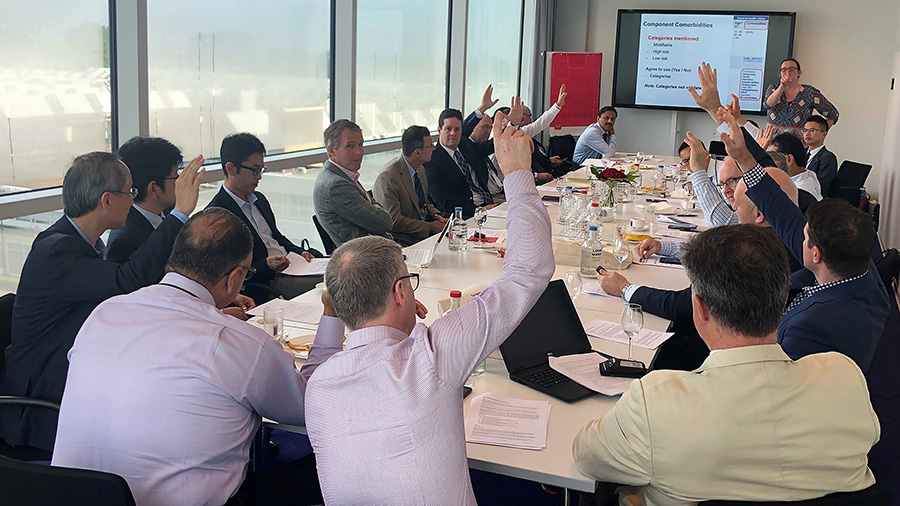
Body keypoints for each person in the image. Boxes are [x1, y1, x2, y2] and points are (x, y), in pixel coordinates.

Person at [304, 113, 554, 505]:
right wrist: (518, 174)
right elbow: (527, 272)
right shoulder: (431, 357)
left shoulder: (319, 387)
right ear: (400, 292)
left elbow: (315, 368)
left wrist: (331, 314)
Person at [52, 208, 344, 506]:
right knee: (325, 465)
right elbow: (312, 406)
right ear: (235, 278)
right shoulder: (237, 342)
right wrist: (332, 314)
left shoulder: (104, 313)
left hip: (70, 495)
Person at [574, 225, 880, 506]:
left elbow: (586, 457)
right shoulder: (845, 377)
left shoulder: (656, 401)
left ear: (701, 308)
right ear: (781, 297)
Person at [0, 151, 203, 451]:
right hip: (41, 405)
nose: (133, 201)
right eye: (130, 193)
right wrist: (180, 213)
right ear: (107, 200)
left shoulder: (83, 243)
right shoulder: (56, 251)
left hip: (76, 377)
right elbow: (127, 280)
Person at [719, 106, 889, 372]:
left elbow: (774, 379)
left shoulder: (810, 328)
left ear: (816, 254)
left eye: (805, 234)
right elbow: (780, 208)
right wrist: (743, 157)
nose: (799, 232)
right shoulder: (860, 268)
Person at [207, 133, 321, 300]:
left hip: (291, 267)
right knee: (329, 283)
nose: (259, 176)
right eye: (254, 170)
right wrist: (267, 265)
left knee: (337, 272)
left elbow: (277, 238)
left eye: (261, 169)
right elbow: (227, 271)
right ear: (231, 169)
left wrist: (300, 252)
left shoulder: (259, 200)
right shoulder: (218, 214)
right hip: (266, 281)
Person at [313, 119, 393, 247]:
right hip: (365, 254)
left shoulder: (346, 173)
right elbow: (384, 222)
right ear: (332, 151)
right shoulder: (336, 185)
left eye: (360, 144)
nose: (359, 151)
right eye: (350, 146)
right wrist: (373, 207)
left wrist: (373, 207)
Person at [372, 125, 448, 246]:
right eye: (430, 146)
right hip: (402, 239)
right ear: (417, 152)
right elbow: (393, 221)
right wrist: (429, 227)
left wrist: (436, 215)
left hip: (422, 233)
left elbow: (424, 202)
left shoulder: (420, 169)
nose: (434, 149)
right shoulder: (388, 177)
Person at [765, 58, 839, 138]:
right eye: (784, 70)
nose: (788, 72)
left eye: (792, 69)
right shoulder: (773, 88)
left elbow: (834, 114)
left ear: (799, 72)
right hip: (772, 142)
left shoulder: (810, 92)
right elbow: (768, 105)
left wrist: (818, 134)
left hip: (798, 143)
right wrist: (781, 87)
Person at [770, 132, 822, 200]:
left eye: (772, 158)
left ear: (789, 159)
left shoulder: (801, 193)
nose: (769, 163)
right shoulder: (808, 175)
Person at [803, 115, 838, 196]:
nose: (807, 134)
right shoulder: (801, 153)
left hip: (814, 198)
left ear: (824, 134)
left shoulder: (828, 158)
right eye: (805, 130)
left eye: (812, 130)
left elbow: (821, 187)